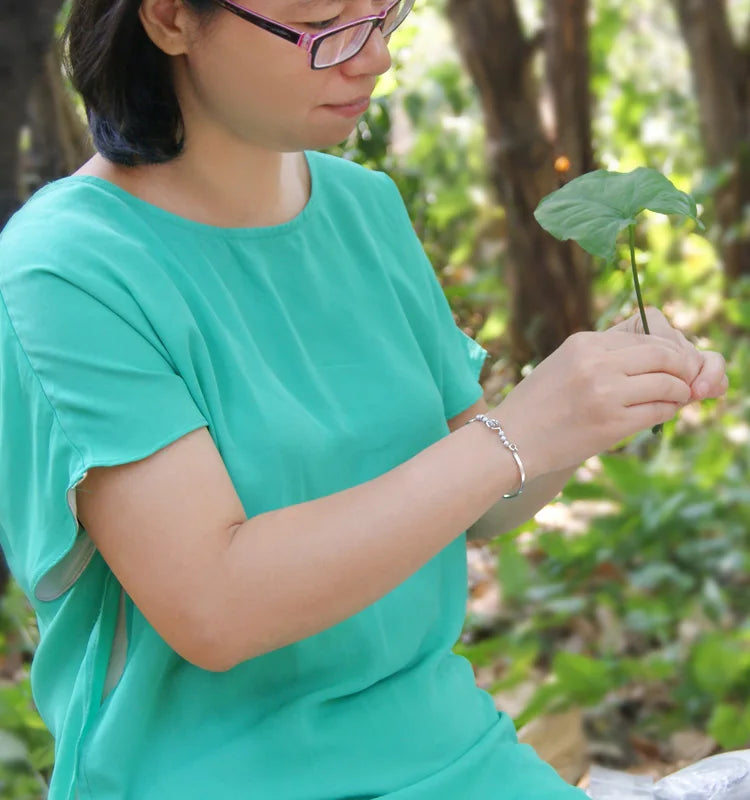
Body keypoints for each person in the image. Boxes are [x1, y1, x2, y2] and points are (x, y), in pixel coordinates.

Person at [0, 0, 728, 798]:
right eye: (325, 27)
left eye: (383, 13)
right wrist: (513, 435)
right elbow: (215, 605)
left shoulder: (362, 207)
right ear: (171, 19)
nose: (373, 56)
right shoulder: (69, 268)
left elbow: (481, 503)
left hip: (453, 754)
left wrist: (590, 404)